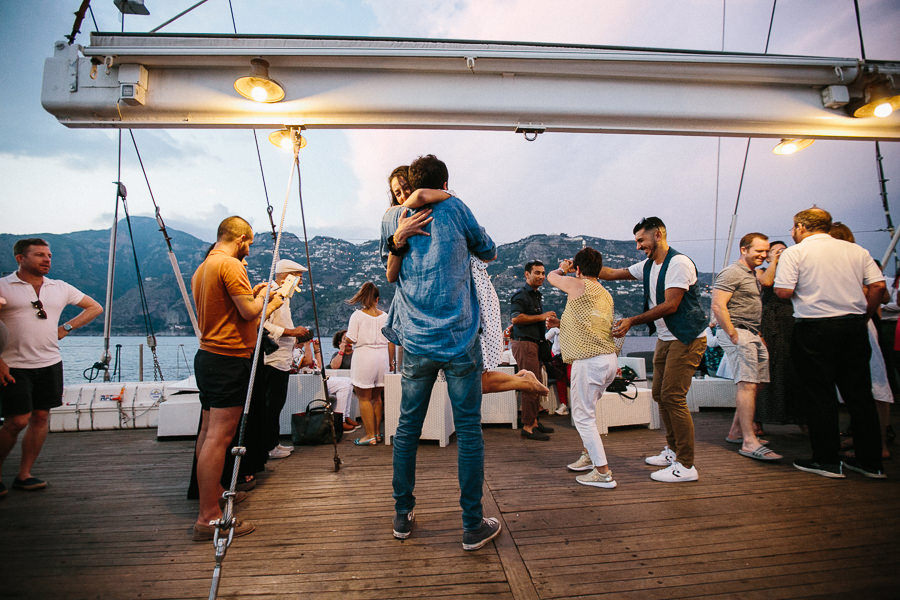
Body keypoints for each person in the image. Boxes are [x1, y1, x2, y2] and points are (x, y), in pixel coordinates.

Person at [381, 153, 501, 551]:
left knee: (407, 430)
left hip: (416, 342)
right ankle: (471, 525)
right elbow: (489, 251)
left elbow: (390, 271)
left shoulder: (390, 218)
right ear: (444, 182)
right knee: (468, 432)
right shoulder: (456, 207)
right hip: (459, 340)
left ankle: (403, 515)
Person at [392, 178, 550, 398]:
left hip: (472, 308)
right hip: (461, 311)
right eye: (397, 193)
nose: (403, 196)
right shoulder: (445, 216)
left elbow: (491, 252)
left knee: (473, 381)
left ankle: (524, 382)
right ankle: (524, 381)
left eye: (405, 190)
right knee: (474, 381)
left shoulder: (452, 209)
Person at [774, 208, 886, 479]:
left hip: (815, 328)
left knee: (819, 394)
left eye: (793, 227)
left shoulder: (795, 252)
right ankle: (871, 462)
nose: (791, 232)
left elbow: (783, 290)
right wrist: (865, 316)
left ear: (801, 226)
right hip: (853, 326)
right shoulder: (856, 251)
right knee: (859, 395)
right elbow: (879, 287)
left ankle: (826, 460)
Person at [190, 216, 283, 541]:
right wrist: (268, 299)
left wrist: (253, 295)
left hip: (208, 358)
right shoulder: (231, 265)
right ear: (241, 238)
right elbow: (247, 312)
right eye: (250, 243)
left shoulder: (203, 268)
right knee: (220, 437)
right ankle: (209, 517)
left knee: (206, 432)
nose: (250, 249)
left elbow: (233, 307)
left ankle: (212, 493)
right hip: (228, 360)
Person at [599, 217, 707, 483]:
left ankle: (686, 464)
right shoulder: (648, 265)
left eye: (641, 240)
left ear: (658, 235)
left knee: (673, 396)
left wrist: (632, 321)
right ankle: (672, 451)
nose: (638, 246)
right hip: (666, 338)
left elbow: (671, 305)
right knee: (660, 394)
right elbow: (613, 274)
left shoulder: (679, 263)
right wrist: (581, 266)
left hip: (686, 337)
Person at [0, 238, 102, 497]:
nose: (47, 259)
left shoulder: (60, 287)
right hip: (13, 365)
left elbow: (94, 307)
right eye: (39, 255)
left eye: (49, 255)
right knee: (16, 421)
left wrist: (65, 328)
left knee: (41, 417)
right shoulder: (4, 286)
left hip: (49, 363)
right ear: (20, 258)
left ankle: (24, 474)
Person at [546, 249, 620, 488]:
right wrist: (561, 323)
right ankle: (589, 455)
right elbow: (590, 324)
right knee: (588, 413)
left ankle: (603, 472)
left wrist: (562, 268)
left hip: (590, 362)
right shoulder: (604, 293)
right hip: (608, 360)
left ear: (578, 269)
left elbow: (551, 277)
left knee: (582, 417)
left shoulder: (580, 285)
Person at [711, 233, 782, 462]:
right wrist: (732, 332)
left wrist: (756, 333)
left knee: (758, 383)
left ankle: (736, 431)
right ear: (744, 249)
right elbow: (718, 304)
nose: (764, 255)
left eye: (766, 251)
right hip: (738, 332)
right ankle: (749, 442)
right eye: (758, 251)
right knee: (747, 384)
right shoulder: (732, 272)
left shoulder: (753, 274)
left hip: (752, 333)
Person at [827, 223, 893, 461]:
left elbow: (880, 291)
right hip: (855, 325)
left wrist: (864, 311)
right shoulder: (859, 259)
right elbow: (881, 291)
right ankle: (864, 437)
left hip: (855, 325)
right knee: (859, 385)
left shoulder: (854, 260)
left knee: (873, 384)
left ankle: (880, 443)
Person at [261, 259, 310, 459]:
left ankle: (273, 443)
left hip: (281, 361)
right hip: (271, 361)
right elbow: (263, 325)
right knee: (270, 406)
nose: (301, 282)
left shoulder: (283, 298)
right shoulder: (271, 295)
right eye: (299, 277)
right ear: (287, 277)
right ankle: (268, 447)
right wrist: (292, 331)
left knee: (276, 405)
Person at [510, 261, 559, 440]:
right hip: (525, 344)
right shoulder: (521, 295)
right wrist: (542, 316)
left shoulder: (536, 295)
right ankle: (528, 426)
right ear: (526, 274)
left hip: (534, 344)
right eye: (537, 273)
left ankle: (535, 422)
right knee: (530, 385)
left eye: (543, 273)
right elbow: (516, 318)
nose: (541, 276)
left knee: (536, 383)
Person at [754, 240, 800, 429]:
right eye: (775, 251)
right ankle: (759, 420)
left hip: (791, 320)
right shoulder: (760, 271)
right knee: (769, 369)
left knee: (794, 370)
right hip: (770, 323)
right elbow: (766, 282)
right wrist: (773, 262)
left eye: (783, 250)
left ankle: (799, 418)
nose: (780, 253)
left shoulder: (794, 272)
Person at [344, 282, 392, 445]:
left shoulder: (357, 316)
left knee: (364, 398)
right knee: (377, 397)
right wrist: (392, 362)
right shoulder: (385, 316)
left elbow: (351, 338)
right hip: (382, 358)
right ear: (377, 299)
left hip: (365, 357)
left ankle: (369, 436)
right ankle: (377, 434)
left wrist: (346, 341)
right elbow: (391, 341)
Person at [329, 329, 360, 432]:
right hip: (345, 383)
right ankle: (343, 419)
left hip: (356, 382)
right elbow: (334, 367)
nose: (349, 342)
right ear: (339, 342)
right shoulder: (337, 355)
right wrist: (341, 350)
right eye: (345, 339)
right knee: (347, 384)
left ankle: (346, 417)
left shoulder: (357, 354)